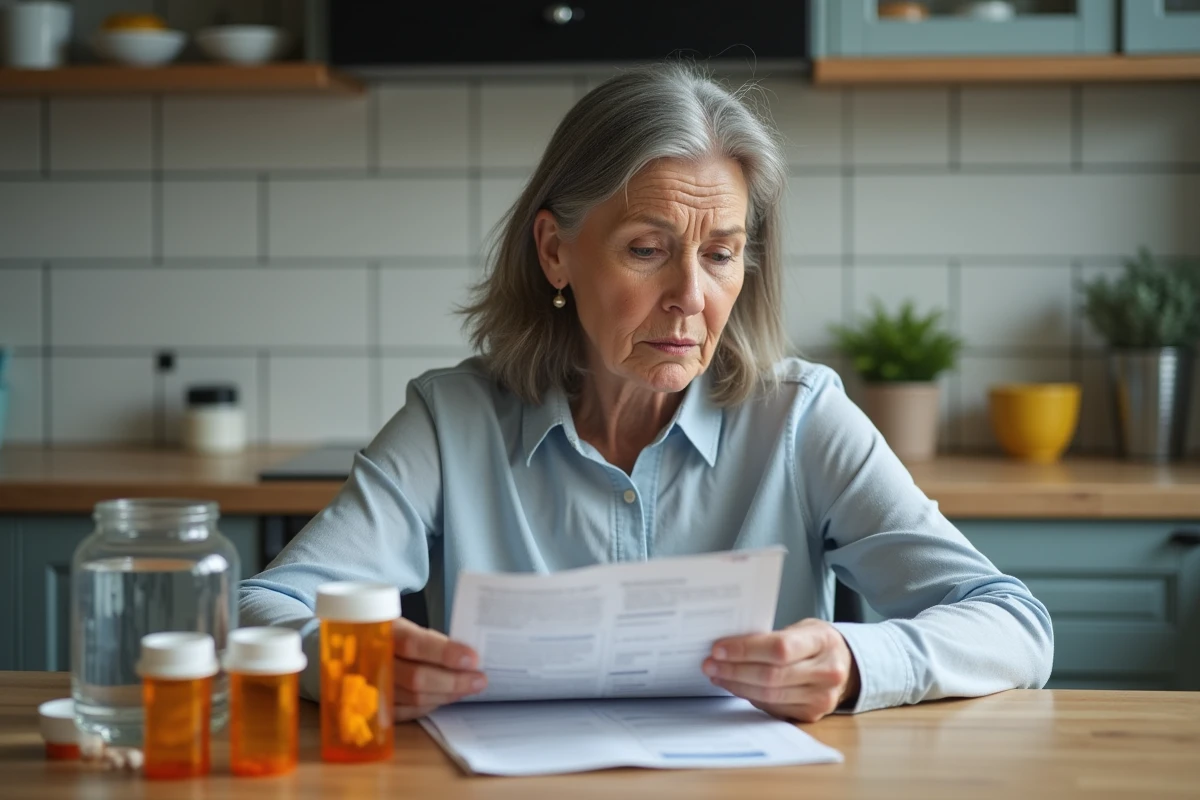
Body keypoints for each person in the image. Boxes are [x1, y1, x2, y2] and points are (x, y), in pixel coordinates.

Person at [240, 62, 1052, 724]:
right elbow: (261, 607)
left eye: (722, 254)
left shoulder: (801, 417)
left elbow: (1013, 624)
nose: (691, 297)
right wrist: (346, 659)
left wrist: (853, 663)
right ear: (555, 252)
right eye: (647, 249)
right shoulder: (451, 421)